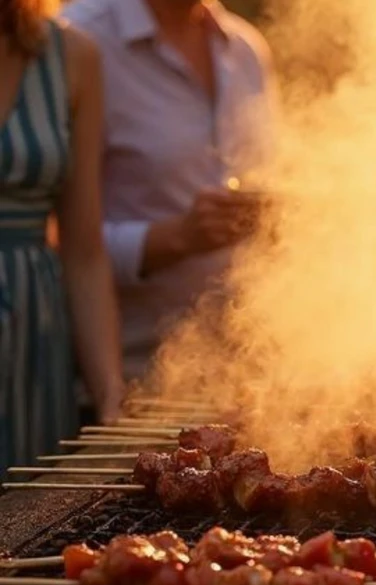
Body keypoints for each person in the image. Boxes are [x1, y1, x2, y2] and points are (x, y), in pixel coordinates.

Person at [61, 0, 275, 380]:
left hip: (240, 371)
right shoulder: (79, 40)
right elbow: (57, 243)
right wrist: (178, 236)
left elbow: (270, 174)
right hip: (129, 371)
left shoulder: (245, 48)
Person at [0, 0, 124, 469]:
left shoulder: (72, 54)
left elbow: (84, 251)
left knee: (23, 527)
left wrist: (109, 389)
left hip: (34, 339)